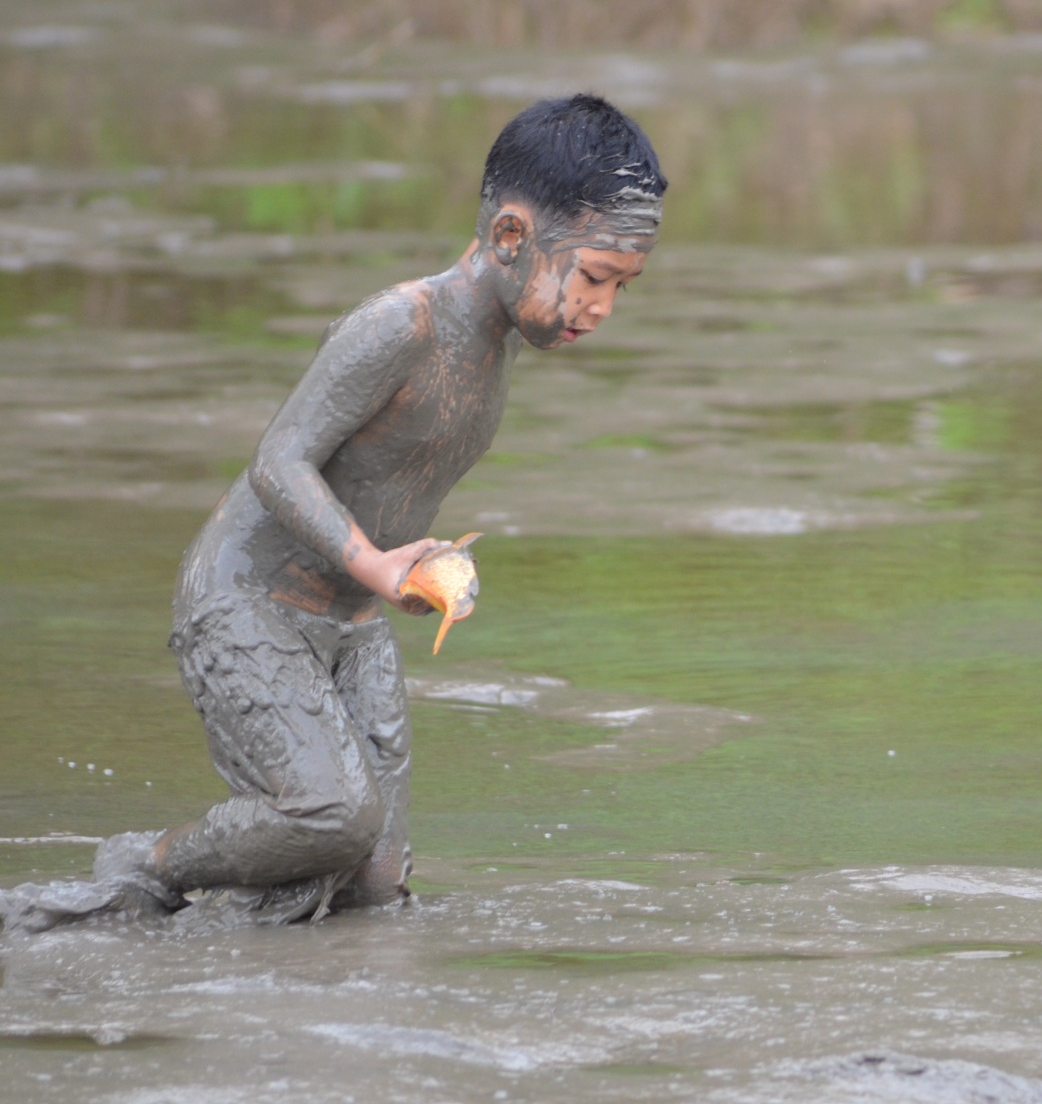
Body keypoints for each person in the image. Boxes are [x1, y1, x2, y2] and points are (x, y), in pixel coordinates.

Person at [0, 94, 664, 932]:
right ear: (509, 237)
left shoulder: (494, 353)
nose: (602, 305)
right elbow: (278, 460)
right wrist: (374, 562)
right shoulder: (400, 323)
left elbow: (393, 480)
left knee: (377, 885)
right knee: (330, 816)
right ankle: (146, 863)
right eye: (595, 276)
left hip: (352, 621)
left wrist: (421, 566)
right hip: (248, 600)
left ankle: (248, 938)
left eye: (621, 286)